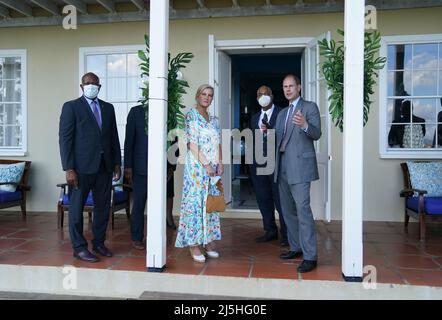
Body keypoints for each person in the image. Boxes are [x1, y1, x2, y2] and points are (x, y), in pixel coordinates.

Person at [59, 72, 121, 263]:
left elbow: (113, 137)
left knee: (103, 207)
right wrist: (68, 168)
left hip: (104, 167)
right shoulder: (71, 107)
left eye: (94, 83)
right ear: (81, 86)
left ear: (99, 86)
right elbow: (65, 139)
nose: (91, 86)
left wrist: (117, 162)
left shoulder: (108, 108)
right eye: (87, 83)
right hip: (80, 168)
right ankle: (79, 248)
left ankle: (99, 243)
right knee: (77, 209)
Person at [274, 74, 321, 273]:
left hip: (300, 167)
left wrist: (304, 125)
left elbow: (317, 133)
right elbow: (278, 139)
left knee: (303, 211)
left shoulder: (309, 107)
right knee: (287, 211)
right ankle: (296, 247)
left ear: (299, 87)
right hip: (282, 165)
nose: (288, 89)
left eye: (291, 86)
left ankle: (310, 256)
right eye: (285, 86)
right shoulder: (282, 113)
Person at [175, 84, 223, 263]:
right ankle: (194, 244)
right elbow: (191, 144)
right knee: (195, 204)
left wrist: (220, 162)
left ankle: (208, 240)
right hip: (197, 168)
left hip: (212, 168)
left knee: (210, 203)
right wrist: (206, 164)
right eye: (204, 94)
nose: (207, 97)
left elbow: (218, 142)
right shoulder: (191, 116)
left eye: (210, 95)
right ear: (197, 95)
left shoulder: (214, 119)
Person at [248, 85, 288, 246]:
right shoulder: (254, 117)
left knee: (280, 200)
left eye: (266, 94)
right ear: (257, 98)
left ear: (272, 96)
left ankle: (286, 234)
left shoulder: (282, 113)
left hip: (277, 163)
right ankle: (270, 230)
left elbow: (287, 137)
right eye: (260, 94)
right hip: (258, 164)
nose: (263, 96)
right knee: (263, 198)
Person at [124, 105, 148, 250]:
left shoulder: (167, 110)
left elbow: (174, 139)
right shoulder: (136, 112)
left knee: (158, 205)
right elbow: (129, 141)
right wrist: (128, 166)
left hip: (161, 169)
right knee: (138, 204)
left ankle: (156, 237)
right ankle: (137, 237)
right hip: (140, 168)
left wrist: (171, 167)